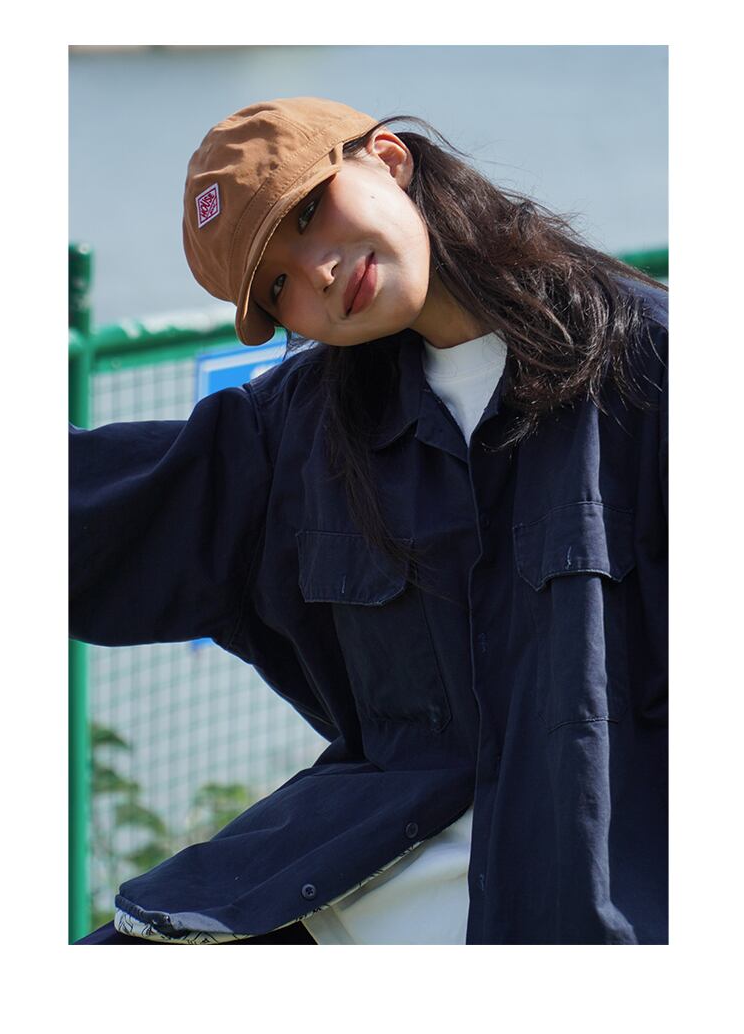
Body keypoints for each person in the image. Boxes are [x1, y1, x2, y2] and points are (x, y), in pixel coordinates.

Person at [70, 96, 668, 945]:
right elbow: (88, 515)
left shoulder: (649, 368)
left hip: (599, 899)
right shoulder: (302, 435)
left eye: (306, 213)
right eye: (278, 285)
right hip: (367, 882)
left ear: (387, 158)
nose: (315, 272)